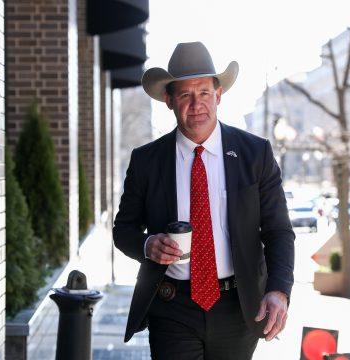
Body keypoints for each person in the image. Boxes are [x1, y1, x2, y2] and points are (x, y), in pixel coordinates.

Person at [112, 42, 295, 359]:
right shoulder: (146, 161)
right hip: (172, 306)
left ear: (219, 95)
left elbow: (278, 230)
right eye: (185, 95)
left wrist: (279, 290)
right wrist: (147, 245)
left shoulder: (255, 154)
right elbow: (123, 230)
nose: (196, 104)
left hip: (238, 307)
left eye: (204, 93)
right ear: (169, 100)